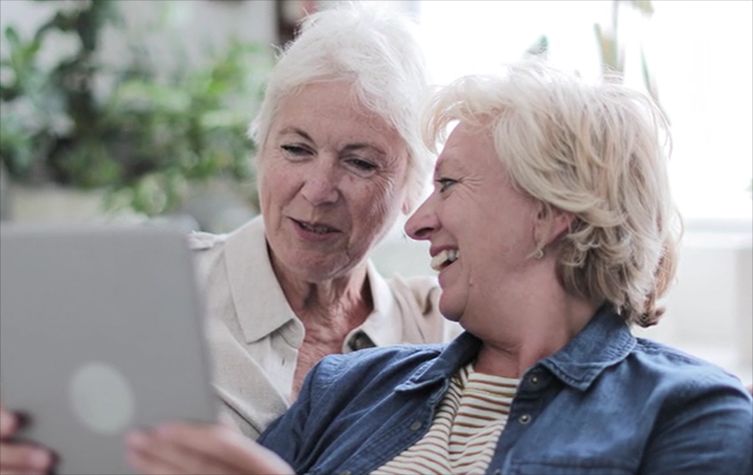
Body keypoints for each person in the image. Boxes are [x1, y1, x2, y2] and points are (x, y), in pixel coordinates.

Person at [125, 62, 752, 475]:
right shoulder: (344, 388)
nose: (418, 222)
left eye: (448, 185)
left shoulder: (691, 412)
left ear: (552, 212)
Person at [0, 4, 457, 473]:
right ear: (259, 150)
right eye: (295, 149)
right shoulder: (144, 290)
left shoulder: (441, 332)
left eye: (360, 162)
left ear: (411, 188)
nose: (318, 190)